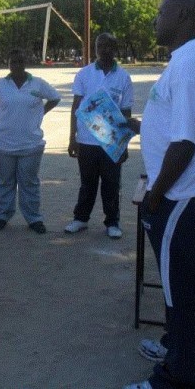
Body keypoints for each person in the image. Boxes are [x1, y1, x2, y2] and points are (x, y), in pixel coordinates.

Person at [124, 0, 195, 389]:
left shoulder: (192, 61)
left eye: (162, 11)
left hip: (180, 198)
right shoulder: (187, 60)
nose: (156, 19)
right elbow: (178, 125)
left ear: (185, 15)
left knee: (182, 293)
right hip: (182, 195)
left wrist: (156, 196)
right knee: (187, 284)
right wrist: (141, 127)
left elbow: (186, 142)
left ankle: (177, 379)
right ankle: (176, 344)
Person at [0, 48, 61, 234]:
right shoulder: (0, 84)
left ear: (25, 63)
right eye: (12, 62)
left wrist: (41, 112)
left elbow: (55, 98)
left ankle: (34, 218)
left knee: (29, 183)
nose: (16, 66)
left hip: (31, 144)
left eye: (20, 62)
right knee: (4, 182)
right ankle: (2, 215)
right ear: (9, 64)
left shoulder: (37, 84)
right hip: (3, 144)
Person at [65, 32, 134, 239]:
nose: (104, 50)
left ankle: (112, 222)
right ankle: (81, 219)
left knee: (112, 184)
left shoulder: (123, 77)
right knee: (87, 183)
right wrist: (72, 137)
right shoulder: (84, 74)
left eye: (109, 46)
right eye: (100, 46)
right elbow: (76, 107)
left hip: (111, 142)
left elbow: (126, 113)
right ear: (95, 49)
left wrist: (124, 144)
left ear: (115, 49)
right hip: (86, 141)